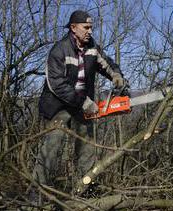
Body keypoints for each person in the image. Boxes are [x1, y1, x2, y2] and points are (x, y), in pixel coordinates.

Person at [33, 10, 125, 188]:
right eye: (86, 27)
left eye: (91, 27)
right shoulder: (59, 50)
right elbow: (57, 85)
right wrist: (84, 102)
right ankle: (37, 190)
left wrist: (116, 75)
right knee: (51, 146)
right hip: (59, 106)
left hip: (83, 105)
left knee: (87, 147)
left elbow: (106, 63)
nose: (90, 31)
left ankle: (86, 188)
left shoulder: (92, 47)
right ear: (74, 28)